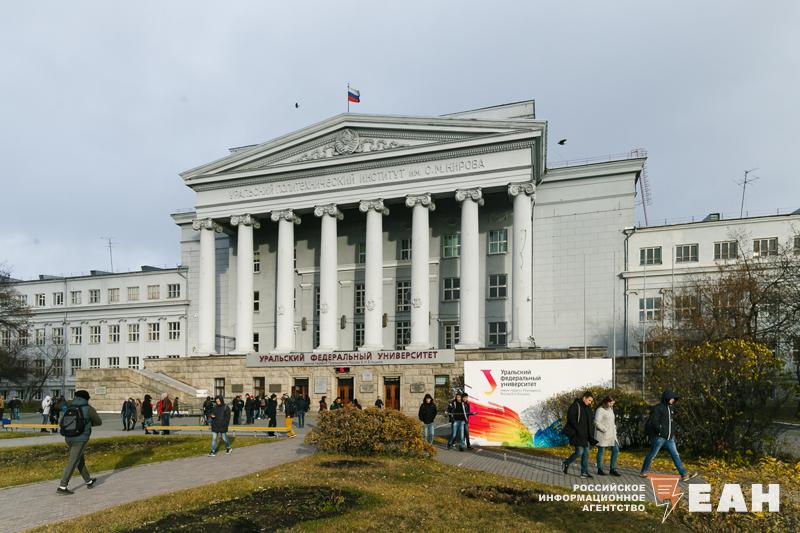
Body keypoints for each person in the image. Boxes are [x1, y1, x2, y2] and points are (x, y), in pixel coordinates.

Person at [640, 390, 697, 482]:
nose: (673, 400)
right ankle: (643, 472)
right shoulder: (658, 408)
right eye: (671, 398)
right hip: (659, 437)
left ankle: (684, 475)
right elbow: (654, 421)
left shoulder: (671, 408)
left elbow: (671, 423)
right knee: (652, 455)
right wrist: (660, 431)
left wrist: (672, 432)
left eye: (674, 398)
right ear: (666, 398)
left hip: (670, 438)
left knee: (675, 455)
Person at [57, 390, 102, 495]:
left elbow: (61, 422)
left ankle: (88, 481)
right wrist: (87, 424)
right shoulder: (88, 408)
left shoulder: (69, 407)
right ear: (86, 398)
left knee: (79, 459)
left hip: (68, 437)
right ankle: (62, 486)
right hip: (81, 439)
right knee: (73, 461)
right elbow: (99, 422)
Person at [561, 391, 598, 478]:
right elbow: (571, 419)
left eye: (591, 401)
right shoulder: (575, 405)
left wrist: (591, 433)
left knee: (586, 453)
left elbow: (590, 421)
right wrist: (579, 429)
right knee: (579, 452)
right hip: (578, 434)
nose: (590, 402)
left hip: (586, 435)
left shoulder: (588, 408)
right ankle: (566, 463)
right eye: (589, 400)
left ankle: (584, 472)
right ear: (584, 398)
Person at [594, 395, 621, 476]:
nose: (611, 405)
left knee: (616, 449)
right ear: (606, 402)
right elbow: (596, 422)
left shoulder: (611, 410)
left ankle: (612, 469)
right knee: (601, 451)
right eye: (610, 403)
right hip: (603, 434)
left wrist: (614, 429)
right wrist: (604, 429)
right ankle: (599, 469)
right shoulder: (600, 410)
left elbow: (612, 421)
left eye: (613, 403)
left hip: (612, 434)